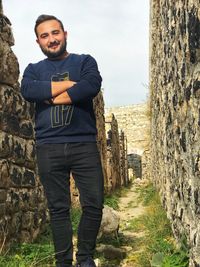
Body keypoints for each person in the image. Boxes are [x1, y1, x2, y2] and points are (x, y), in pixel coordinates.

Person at [21, 14, 104, 267]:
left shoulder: (84, 61)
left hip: (83, 144)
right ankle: (64, 262)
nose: (51, 39)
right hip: (49, 146)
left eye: (55, 33)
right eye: (45, 36)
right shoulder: (34, 70)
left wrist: (51, 94)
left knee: (94, 204)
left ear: (64, 34)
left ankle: (85, 257)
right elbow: (28, 90)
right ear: (38, 41)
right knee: (58, 210)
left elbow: (91, 85)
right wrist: (69, 85)